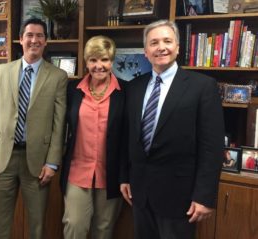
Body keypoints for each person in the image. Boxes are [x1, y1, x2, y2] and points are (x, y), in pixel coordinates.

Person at [120, 19, 224, 239]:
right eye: (154, 42)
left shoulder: (203, 87)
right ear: (146, 52)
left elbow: (211, 148)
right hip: (140, 194)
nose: (161, 47)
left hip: (180, 197)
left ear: (178, 47)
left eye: (167, 41)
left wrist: (204, 196)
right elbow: (128, 138)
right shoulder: (134, 87)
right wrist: (124, 177)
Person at [0, 18, 67, 239]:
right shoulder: (2, 71)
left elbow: (60, 123)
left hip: (38, 163)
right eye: (29, 35)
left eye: (40, 36)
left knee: (37, 225)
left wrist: (52, 162)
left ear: (46, 41)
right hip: (2, 159)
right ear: (20, 39)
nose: (34, 40)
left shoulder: (58, 76)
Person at [60, 35, 126, 239]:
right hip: (78, 170)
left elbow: (128, 138)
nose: (99, 66)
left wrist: (127, 176)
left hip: (111, 174)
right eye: (93, 60)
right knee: (75, 225)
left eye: (104, 59)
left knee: (103, 229)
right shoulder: (73, 90)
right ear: (86, 62)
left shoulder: (126, 92)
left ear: (112, 61)